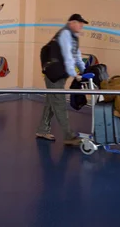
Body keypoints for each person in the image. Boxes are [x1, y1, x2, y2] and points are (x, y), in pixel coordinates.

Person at [36, 14, 88, 146]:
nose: (81, 26)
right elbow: (68, 56)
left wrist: (84, 71)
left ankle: (42, 130)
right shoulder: (65, 34)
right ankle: (69, 136)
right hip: (54, 74)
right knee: (59, 103)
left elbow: (77, 56)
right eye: (79, 23)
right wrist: (74, 74)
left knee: (51, 101)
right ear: (71, 23)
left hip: (60, 74)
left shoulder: (73, 37)